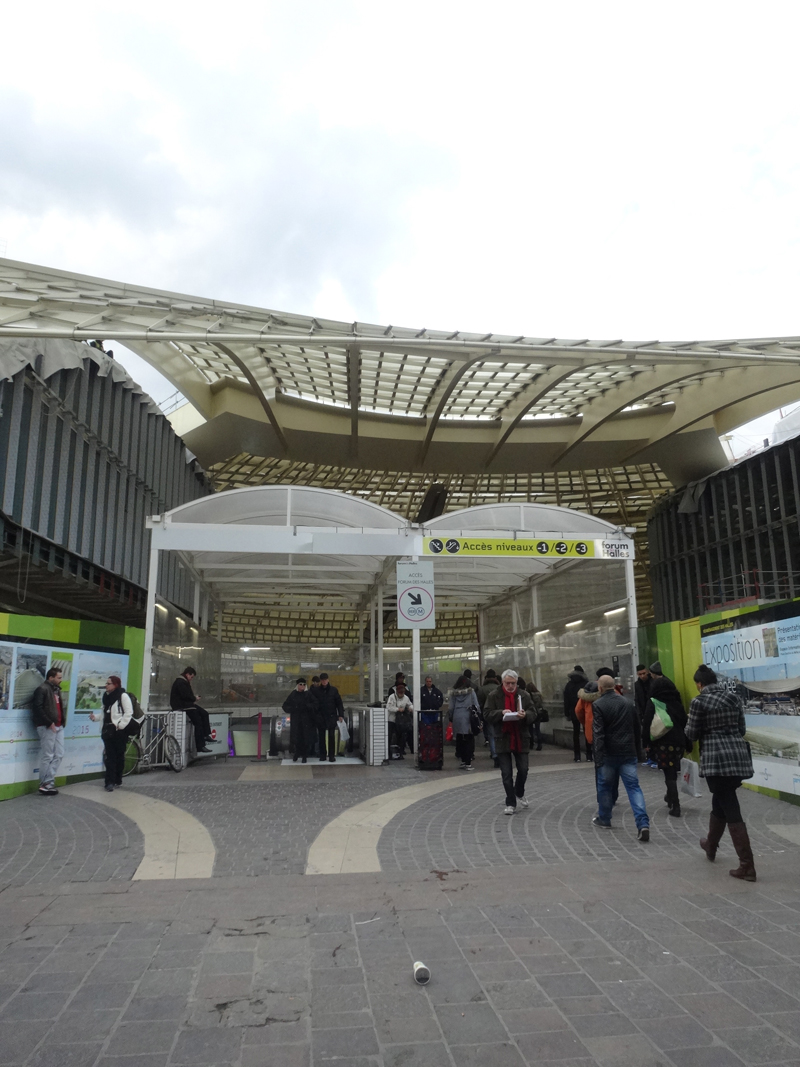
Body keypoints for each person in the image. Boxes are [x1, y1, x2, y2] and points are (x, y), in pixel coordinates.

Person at [685, 664, 756, 881]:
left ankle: (747, 865)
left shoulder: (699, 701)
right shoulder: (733, 698)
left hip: (716, 759)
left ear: (699, 684)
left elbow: (692, 733)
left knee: (730, 804)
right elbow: (742, 729)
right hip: (736, 756)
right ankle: (710, 845)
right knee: (721, 799)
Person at [592, 675, 650, 841]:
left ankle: (604, 818)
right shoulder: (627, 703)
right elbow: (636, 728)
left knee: (604, 786)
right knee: (633, 788)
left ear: (600, 688)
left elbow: (598, 734)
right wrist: (639, 752)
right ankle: (642, 823)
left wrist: (598, 757)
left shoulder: (598, 705)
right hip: (628, 753)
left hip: (609, 754)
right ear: (615, 687)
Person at [485, 669, 535, 814]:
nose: (511, 686)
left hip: (521, 736)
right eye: (508, 683)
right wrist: (501, 713)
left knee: (523, 769)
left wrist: (525, 715)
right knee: (506, 773)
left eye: (513, 683)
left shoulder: (524, 695)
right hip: (502, 737)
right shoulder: (494, 695)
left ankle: (519, 791)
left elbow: (534, 712)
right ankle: (510, 802)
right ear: (503, 682)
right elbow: (486, 713)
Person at [642, 673, 688, 817]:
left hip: (663, 743)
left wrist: (646, 742)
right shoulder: (676, 702)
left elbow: (647, 723)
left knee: (669, 773)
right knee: (673, 769)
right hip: (679, 743)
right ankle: (670, 796)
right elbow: (685, 722)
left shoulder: (653, 702)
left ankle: (675, 804)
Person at [90, 676, 134, 791]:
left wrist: (121, 725)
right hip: (107, 731)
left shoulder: (122, 696)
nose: (106, 685)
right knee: (110, 757)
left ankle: (117, 779)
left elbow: (129, 712)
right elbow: (106, 714)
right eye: (106, 683)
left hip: (119, 732)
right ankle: (109, 782)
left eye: (108, 683)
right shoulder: (106, 697)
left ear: (115, 685)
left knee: (119, 756)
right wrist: (95, 718)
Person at [31, 667, 65, 796]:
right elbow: (37, 708)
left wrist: (61, 722)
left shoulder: (56, 690)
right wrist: (48, 722)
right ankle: (45, 784)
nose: (61, 680)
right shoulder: (42, 689)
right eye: (59, 678)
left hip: (59, 726)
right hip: (47, 726)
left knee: (59, 754)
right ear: (51, 678)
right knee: (48, 755)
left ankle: (48, 781)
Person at [169, 666, 213, 754]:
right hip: (183, 706)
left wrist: (193, 699)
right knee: (198, 722)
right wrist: (194, 698)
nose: (191, 679)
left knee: (204, 713)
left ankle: (205, 734)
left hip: (187, 704)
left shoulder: (182, 682)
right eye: (191, 677)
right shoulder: (181, 682)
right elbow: (185, 695)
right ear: (187, 674)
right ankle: (200, 745)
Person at [448, 675, 481, 769]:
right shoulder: (471, 692)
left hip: (457, 717)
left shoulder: (454, 694)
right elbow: (476, 705)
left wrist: (451, 717)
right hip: (468, 717)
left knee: (459, 739)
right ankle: (468, 762)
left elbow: (450, 708)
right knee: (468, 739)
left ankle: (462, 760)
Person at [313, 672, 345, 762]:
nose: (324, 681)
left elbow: (339, 703)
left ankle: (331, 756)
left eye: (325, 679)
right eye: (322, 680)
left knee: (331, 736)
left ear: (328, 680)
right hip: (321, 717)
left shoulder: (334, 690)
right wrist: (315, 715)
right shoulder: (316, 691)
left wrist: (341, 715)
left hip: (331, 716)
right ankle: (322, 755)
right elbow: (314, 704)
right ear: (320, 681)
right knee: (321, 737)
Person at [282, 678, 316, 763]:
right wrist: (294, 709)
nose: (302, 686)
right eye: (300, 684)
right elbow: (285, 706)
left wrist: (307, 707)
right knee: (297, 737)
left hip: (306, 721)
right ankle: (297, 753)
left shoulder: (308, 694)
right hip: (296, 720)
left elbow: (315, 704)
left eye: (304, 685)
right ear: (297, 685)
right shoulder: (293, 694)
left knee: (305, 738)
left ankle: (304, 755)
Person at [563, 666, 587, 762]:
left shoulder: (569, 685)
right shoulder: (586, 684)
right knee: (587, 731)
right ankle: (589, 755)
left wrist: (567, 713)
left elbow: (566, 700)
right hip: (585, 710)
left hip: (574, 711)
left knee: (575, 733)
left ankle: (577, 756)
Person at [477, 669, 501, 766]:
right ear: (495, 677)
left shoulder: (482, 689)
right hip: (500, 714)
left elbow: (479, 703)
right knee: (500, 734)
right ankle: (501, 753)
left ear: (486, 678)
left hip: (488, 715)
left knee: (491, 735)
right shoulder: (500, 688)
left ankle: (494, 754)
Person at [387, 681, 414, 757]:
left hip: (401, 721)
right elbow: (388, 707)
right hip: (391, 720)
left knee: (401, 737)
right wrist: (398, 709)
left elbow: (410, 704)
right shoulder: (392, 697)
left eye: (402, 693)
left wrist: (411, 708)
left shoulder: (406, 698)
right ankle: (389, 752)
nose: (401, 695)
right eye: (400, 693)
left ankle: (400, 752)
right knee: (389, 736)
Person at [526, 680, 547, 751]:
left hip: (532, 713)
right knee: (538, 729)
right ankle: (539, 743)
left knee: (530, 728)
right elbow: (541, 704)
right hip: (539, 713)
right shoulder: (539, 694)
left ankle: (531, 743)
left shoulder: (528, 695)